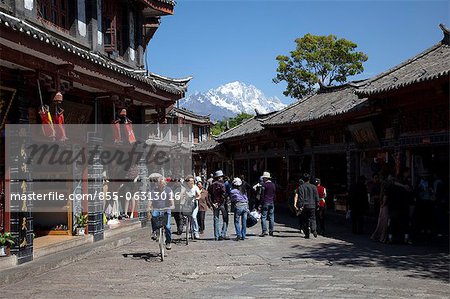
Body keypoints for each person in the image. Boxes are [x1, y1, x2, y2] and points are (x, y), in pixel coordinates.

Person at [148, 173, 174, 250]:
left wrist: (172, 205)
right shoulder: (153, 191)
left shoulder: (168, 190)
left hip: (166, 209)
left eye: (163, 184)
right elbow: (150, 200)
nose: (162, 186)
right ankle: (155, 231)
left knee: (167, 227)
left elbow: (171, 199)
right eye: (160, 184)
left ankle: (168, 242)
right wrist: (149, 207)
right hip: (157, 208)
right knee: (154, 216)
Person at [294, 173, 319, 239]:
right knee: (313, 218)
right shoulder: (314, 187)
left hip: (304, 206)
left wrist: (300, 206)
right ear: (309, 179)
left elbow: (300, 198)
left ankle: (307, 234)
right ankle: (313, 229)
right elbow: (316, 197)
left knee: (305, 220)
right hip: (312, 205)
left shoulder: (301, 187)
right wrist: (317, 204)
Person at [207, 170, 229, 240]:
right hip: (222, 204)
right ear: (220, 177)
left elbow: (209, 195)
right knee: (225, 219)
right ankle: (223, 234)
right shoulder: (223, 184)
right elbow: (224, 194)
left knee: (216, 219)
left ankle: (216, 235)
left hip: (215, 204)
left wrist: (212, 203)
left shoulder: (211, 185)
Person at [182, 175, 201, 239]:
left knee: (193, 217)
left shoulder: (195, 187)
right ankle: (187, 229)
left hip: (194, 204)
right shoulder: (185, 188)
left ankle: (196, 232)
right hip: (187, 204)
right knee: (185, 216)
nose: (192, 182)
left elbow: (199, 195)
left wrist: (197, 198)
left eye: (193, 181)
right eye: (190, 181)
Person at [259, 171, 276, 237]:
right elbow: (274, 194)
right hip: (272, 202)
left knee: (264, 217)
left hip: (266, 202)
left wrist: (260, 203)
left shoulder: (264, 185)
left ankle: (264, 231)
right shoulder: (273, 185)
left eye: (263, 178)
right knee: (271, 217)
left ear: (266, 178)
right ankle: (271, 231)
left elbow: (262, 195)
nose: (263, 179)